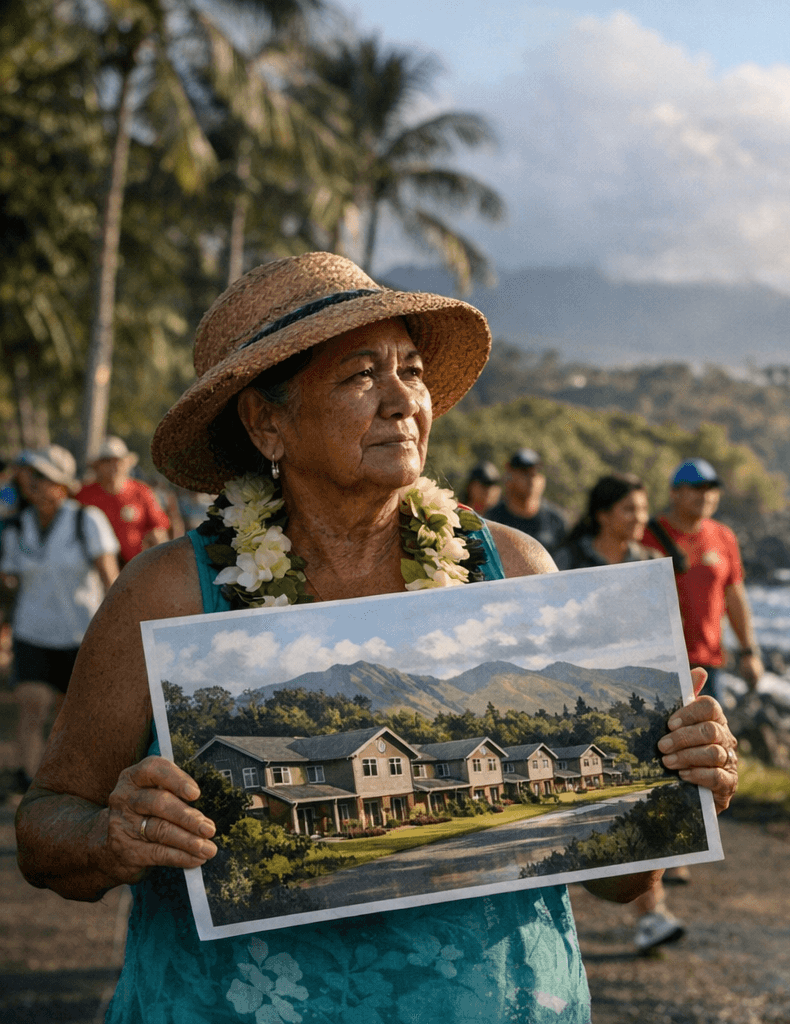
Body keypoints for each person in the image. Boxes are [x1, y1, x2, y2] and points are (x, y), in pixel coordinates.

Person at [13, 253, 740, 1024]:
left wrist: (683, 787)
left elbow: (619, 882)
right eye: (361, 375)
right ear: (266, 422)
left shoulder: (514, 569)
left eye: (412, 371)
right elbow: (44, 828)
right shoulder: (168, 593)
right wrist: (108, 837)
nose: (403, 400)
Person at [1, 445, 120, 796]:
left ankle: (75, 789)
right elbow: (9, 583)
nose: (32, 483)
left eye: (42, 476)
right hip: (31, 634)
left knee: (74, 719)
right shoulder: (16, 526)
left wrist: (117, 631)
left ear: (62, 484)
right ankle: (29, 787)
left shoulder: (87, 520)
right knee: (32, 708)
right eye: (30, 476)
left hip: (80, 636)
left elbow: (111, 580)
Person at [641, 458, 763, 705]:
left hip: (709, 664)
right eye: (697, 488)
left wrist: (748, 652)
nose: (706, 495)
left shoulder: (724, 536)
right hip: (659, 664)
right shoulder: (646, 536)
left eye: (712, 488)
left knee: (711, 728)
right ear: (674, 493)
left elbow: (734, 596)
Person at [76, 435, 172, 564]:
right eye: (107, 461)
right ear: (97, 466)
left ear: (127, 464)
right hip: (95, 565)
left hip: (136, 564)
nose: (114, 466)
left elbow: (160, 526)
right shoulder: (84, 495)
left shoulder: (142, 491)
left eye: (118, 461)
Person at [553, 473, 663, 571]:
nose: (640, 518)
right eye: (629, 509)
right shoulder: (569, 560)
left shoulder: (651, 564)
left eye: (644, 509)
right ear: (602, 515)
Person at [483, 447, 568, 554]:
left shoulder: (556, 521)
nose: (531, 480)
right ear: (509, 475)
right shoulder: (492, 519)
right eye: (525, 472)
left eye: (535, 473)